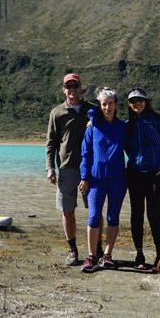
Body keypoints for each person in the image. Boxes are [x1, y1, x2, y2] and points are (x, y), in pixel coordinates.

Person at [46, 73, 103, 266]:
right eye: (68, 86)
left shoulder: (92, 110)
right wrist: (50, 168)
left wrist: (95, 124)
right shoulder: (57, 112)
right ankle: (72, 250)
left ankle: (98, 250)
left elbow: (106, 130)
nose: (72, 89)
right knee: (67, 210)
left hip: (91, 167)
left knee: (95, 210)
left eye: (75, 86)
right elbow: (51, 142)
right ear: (64, 89)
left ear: (80, 88)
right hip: (67, 167)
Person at [124, 88, 160, 273]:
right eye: (132, 101)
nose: (136, 103)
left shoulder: (158, 120)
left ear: (146, 101)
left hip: (154, 175)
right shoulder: (128, 124)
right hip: (133, 174)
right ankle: (139, 255)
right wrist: (134, 160)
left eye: (140, 100)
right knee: (136, 215)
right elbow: (125, 146)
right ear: (129, 104)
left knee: (154, 216)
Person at [79, 87, 127, 273]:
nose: (107, 107)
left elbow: (134, 147)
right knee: (93, 217)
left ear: (115, 105)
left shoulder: (123, 127)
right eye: (104, 104)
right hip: (96, 180)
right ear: (100, 106)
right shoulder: (93, 128)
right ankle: (91, 257)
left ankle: (107, 255)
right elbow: (85, 155)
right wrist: (85, 177)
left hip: (118, 180)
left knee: (112, 217)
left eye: (110, 104)